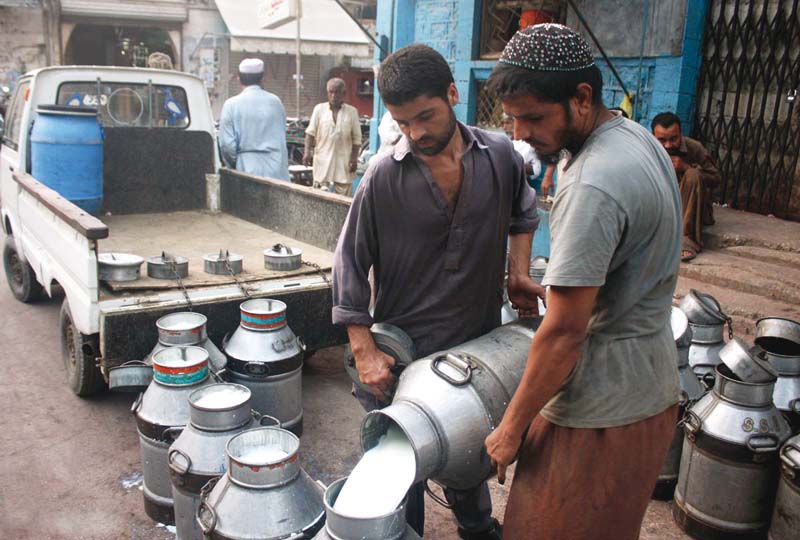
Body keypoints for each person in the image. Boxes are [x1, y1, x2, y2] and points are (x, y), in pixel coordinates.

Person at [331, 44, 542, 540]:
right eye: (403, 123)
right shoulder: (384, 175)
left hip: (475, 347)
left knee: (471, 451)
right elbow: (348, 263)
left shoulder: (500, 157)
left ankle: (476, 528)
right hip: (402, 354)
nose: (416, 133)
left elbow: (523, 212)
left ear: (453, 94)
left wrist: (517, 273)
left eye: (426, 116)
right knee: (402, 469)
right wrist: (363, 350)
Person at [484, 24, 682, 540]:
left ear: (582, 98)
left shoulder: (594, 179)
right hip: (649, 388)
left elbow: (566, 331)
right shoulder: (635, 138)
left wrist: (510, 429)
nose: (521, 133)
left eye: (534, 117)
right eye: (511, 119)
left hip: (600, 410)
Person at [652, 111, 722, 261]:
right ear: (653, 138)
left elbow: (716, 178)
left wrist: (686, 167)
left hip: (693, 210)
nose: (668, 145)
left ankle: (686, 240)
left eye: (673, 139)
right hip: (662, 208)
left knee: (693, 175)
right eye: (662, 140)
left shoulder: (694, 148)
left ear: (680, 134)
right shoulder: (648, 150)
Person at [218, 58, 289, 181]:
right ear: (263, 78)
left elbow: (226, 146)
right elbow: (282, 136)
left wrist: (237, 163)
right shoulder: (276, 102)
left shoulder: (231, 105)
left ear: (238, 79)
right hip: (276, 171)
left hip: (245, 170)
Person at [304, 78, 362, 195]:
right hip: (322, 161)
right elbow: (310, 133)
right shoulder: (319, 109)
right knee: (319, 196)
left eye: (337, 92)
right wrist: (307, 152)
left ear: (343, 93)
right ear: (327, 93)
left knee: (344, 200)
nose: (333, 95)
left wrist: (354, 159)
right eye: (331, 92)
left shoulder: (352, 112)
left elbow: (357, 139)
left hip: (343, 162)